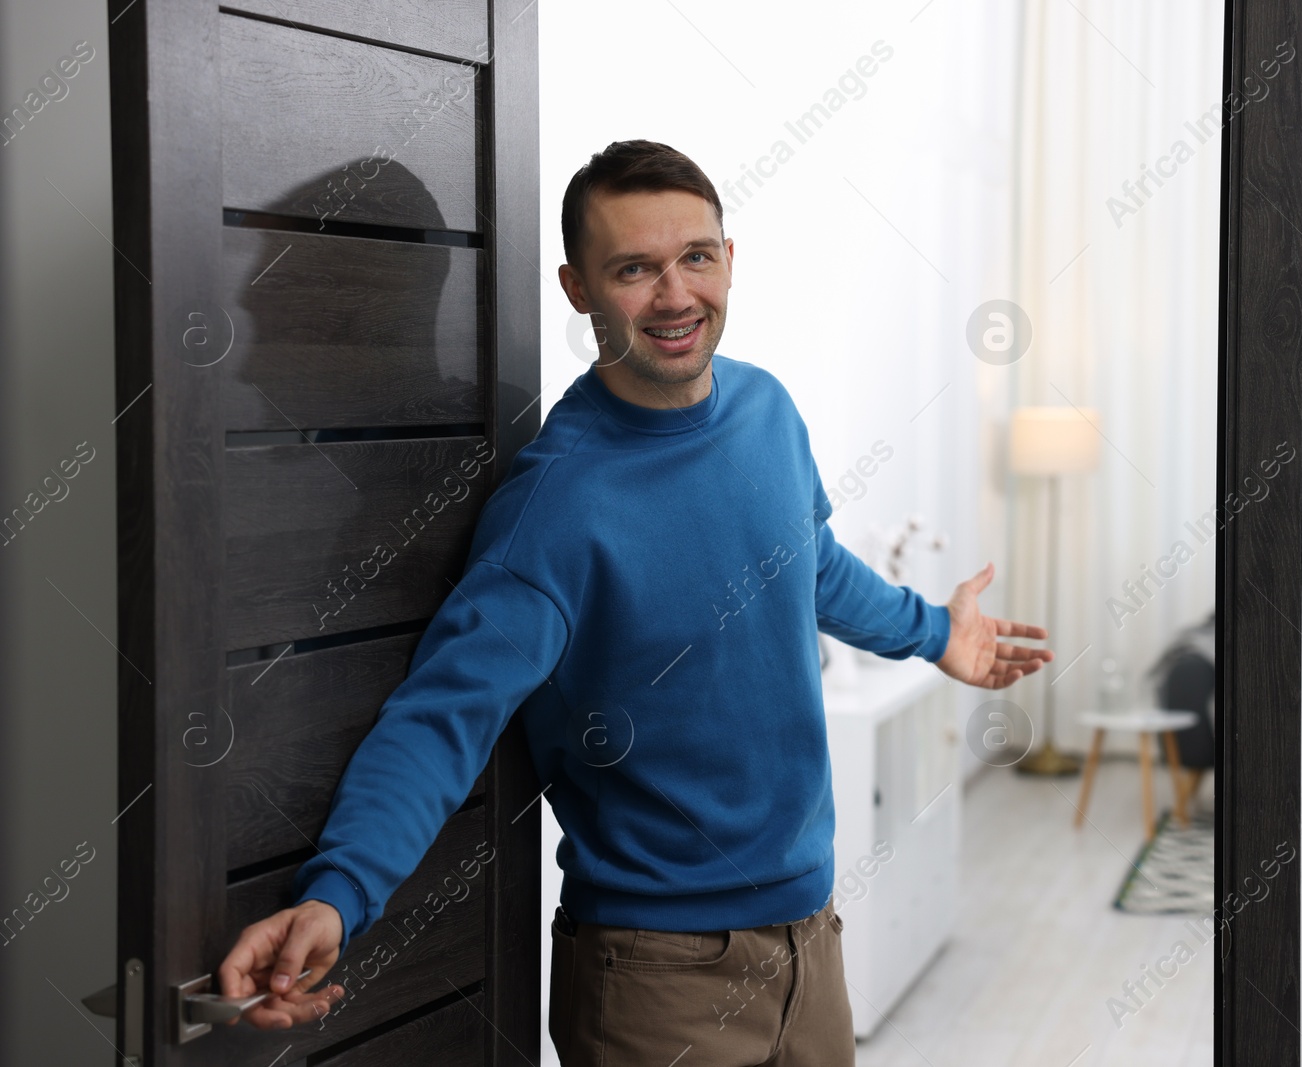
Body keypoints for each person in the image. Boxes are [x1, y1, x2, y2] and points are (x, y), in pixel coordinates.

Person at [218, 139, 1053, 1064]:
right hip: (656, 984)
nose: (675, 295)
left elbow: (809, 563)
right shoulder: (557, 508)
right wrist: (338, 891)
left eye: (696, 256)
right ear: (579, 289)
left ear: (731, 259)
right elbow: (442, 717)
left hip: (810, 945)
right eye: (634, 269)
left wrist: (933, 632)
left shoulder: (768, 412)